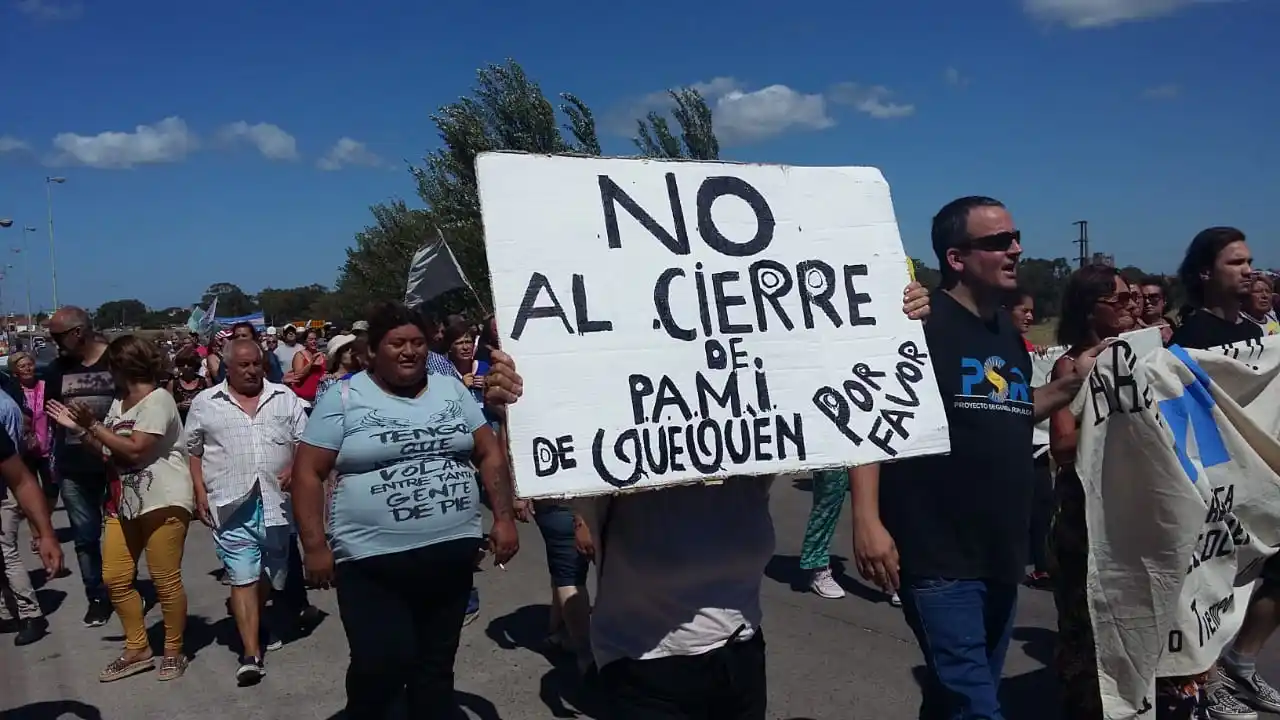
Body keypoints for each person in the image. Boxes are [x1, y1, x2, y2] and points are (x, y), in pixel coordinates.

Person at [487, 285, 930, 720]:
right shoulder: (616, 462)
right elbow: (550, 462)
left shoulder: (751, 453)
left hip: (740, 654)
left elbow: (844, 396)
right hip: (642, 665)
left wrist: (890, 322)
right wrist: (520, 405)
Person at [849, 197, 1108, 720]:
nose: (1016, 249)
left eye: (1015, 238)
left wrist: (1070, 385)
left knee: (959, 696)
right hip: (937, 555)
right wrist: (866, 520)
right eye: (998, 241)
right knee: (976, 706)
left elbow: (1009, 409)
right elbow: (871, 419)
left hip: (999, 554)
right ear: (956, 258)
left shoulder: (1005, 334)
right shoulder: (919, 322)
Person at [291, 301, 517, 718]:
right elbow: (307, 472)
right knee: (381, 664)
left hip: (450, 556)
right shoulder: (345, 396)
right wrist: (315, 546)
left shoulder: (451, 390)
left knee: (435, 666)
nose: (409, 351)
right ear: (372, 351)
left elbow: (489, 453)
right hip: (370, 563)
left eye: (417, 343)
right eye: (397, 344)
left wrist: (503, 518)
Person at [48, 335, 195, 682]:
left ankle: (173, 649)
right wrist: (80, 431)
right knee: (114, 578)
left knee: (164, 580)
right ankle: (138, 648)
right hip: (123, 502)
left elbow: (135, 449)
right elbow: (107, 452)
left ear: (122, 366)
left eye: (110, 365)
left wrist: (93, 425)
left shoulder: (159, 400)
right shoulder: (119, 402)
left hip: (163, 500)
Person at [1041, 265, 1150, 718]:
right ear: (1090, 309)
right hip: (1083, 514)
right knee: (1084, 628)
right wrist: (1116, 415)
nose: (1131, 306)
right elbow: (1062, 446)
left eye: (1132, 298)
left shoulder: (1144, 355)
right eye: (1119, 300)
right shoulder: (1069, 367)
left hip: (1134, 510)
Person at [185, 339, 308, 685]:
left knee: (271, 573)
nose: (252, 370)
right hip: (230, 504)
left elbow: (305, 441)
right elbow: (193, 451)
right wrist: (199, 492)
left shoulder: (284, 398)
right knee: (242, 576)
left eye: (257, 363)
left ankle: (253, 615)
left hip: (278, 503)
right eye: (244, 365)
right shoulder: (206, 403)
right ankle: (250, 654)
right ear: (227, 367)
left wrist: (296, 467)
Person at [43, 306, 117, 627]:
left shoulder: (116, 361)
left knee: (121, 535)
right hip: (73, 467)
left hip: (114, 462)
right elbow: (51, 413)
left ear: (77, 333)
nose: (53, 342)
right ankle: (97, 596)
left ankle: (123, 588)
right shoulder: (57, 369)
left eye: (57, 335)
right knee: (85, 537)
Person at [0, 387, 48, 646]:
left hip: (5, 488)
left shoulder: (3, 405)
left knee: (6, 552)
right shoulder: (8, 401)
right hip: (9, 483)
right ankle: (6, 612)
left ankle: (32, 614)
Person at [167, 349, 208, 425]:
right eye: (182, 365)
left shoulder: (204, 382)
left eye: (189, 364)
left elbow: (211, 403)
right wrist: (179, 406)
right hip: (181, 423)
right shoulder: (173, 383)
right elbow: (167, 407)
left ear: (195, 365)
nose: (185, 367)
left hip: (201, 423)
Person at [289, 329, 326, 406]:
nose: (314, 341)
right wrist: (311, 363)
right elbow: (298, 375)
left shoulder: (322, 355)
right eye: (310, 339)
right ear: (305, 342)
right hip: (304, 399)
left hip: (320, 397)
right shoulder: (300, 355)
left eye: (315, 339)